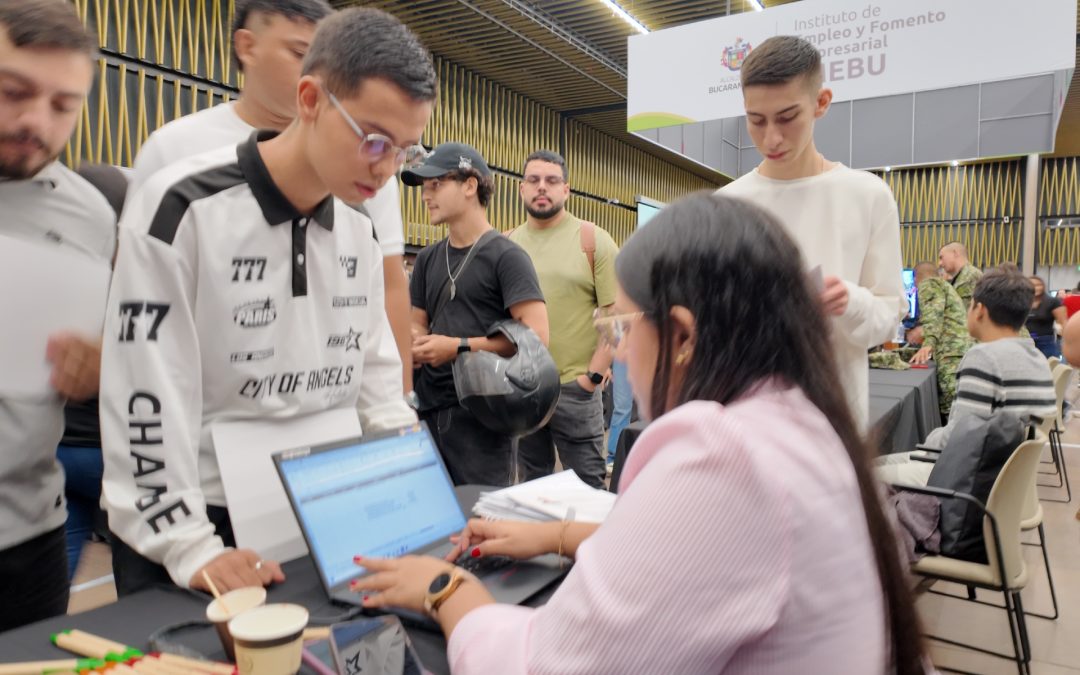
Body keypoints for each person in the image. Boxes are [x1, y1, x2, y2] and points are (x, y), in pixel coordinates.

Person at [348, 193, 926, 675]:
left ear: (683, 335)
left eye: (622, 327)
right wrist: (559, 536)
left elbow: (549, 665)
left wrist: (446, 590)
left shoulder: (722, 454)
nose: (619, 350)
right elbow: (708, 557)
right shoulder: (798, 421)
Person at [99, 6, 432, 596]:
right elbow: (144, 397)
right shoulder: (181, 208)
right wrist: (188, 545)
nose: (385, 169)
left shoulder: (357, 229)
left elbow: (377, 385)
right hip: (202, 524)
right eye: (374, 140)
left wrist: (417, 494)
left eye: (404, 150)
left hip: (324, 510)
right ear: (310, 100)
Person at [129, 0, 418, 400]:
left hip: (329, 440)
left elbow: (382, 316)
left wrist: (400, 416)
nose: (385, 168)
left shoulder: (361, 201)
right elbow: (147, 362)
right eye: (300, 53)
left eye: (402, 151)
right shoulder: (177, 168)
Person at [719, 35, 906, 430]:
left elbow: (890, 315)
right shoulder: (726, 204)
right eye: (757, 120)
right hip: (743, 416)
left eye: (787, 117)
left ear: (821, 103)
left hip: (831, 420)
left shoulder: (867, 194)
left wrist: (849, 300)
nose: (771, 138)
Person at [0, 0, 117, 630]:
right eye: (11, 92)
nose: (33, 121)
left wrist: (100, 369)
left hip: (28, 538)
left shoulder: (90, 217)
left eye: (62, 105)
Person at [404, 142, 547, 486]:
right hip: (427, 411)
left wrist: (458, 346)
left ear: (470, 185)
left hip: (482, 421)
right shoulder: (427, 259)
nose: (426, 195)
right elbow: (416, 321)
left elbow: (536, 338)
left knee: (479, 525)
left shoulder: (507, 257)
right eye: (424, 186)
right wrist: (413, 339)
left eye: (436, 184)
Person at [877, 267, 1056, 487]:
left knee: (864, 474)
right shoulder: (1036, 357)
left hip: (967, 478)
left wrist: (928, 438)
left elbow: (957, 438)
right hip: (1004, 479)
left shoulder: (984, 357)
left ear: (979, 310)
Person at [509, 150, 616, 488]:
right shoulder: (505, 244)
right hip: (523, 389)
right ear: (521, 189)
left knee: (587, 487)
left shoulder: (592, 240)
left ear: (566, 190)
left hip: (576, 389)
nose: (543, 188)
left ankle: (585, 545)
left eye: (552, 181)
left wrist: (592, 377)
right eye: (534, 180)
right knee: (531, 488)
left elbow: (617, 316)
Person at [56, 162, 128, 580]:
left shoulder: (55, 275)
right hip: (111, 453)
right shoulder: (137, 283)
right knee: (136, 571)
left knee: (58, 568)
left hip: (58, 449)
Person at [907, 262, 974, 419]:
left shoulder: (928, 284)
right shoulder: (944, 286)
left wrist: (928, 343)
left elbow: (933, 314)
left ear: (916, 278)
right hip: (959, 351)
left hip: (950, 354)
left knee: (952, 410)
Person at [1026, 275, 1068, 358]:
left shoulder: (1052, 301)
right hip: (1027, 342)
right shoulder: (1023, 302)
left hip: (1046, 342)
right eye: (1032, 285)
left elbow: (1063, 322)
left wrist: (1068, 341)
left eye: (1038, 285)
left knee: (1049, 367)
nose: (1036, 287)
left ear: (1043, 286)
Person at [938, 242, 982, 308]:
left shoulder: (969, 276)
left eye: (941, 257)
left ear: (955, 253)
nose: (940, 263)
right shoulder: (961, 276)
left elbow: (962, 313)